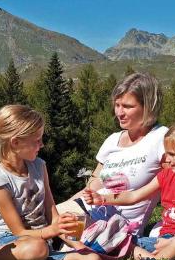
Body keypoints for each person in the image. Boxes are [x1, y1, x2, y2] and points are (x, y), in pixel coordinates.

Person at [0, 105, 105, 260]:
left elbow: (52, 214)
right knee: (36, 248)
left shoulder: (39, 166)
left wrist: (78, 246)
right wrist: (51, 232)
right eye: (37, 140)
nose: (42, 144)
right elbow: (19, 232)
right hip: (15, 244)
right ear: (16, 142)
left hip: (43, 244)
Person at [84, 120, 175, 260]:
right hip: (163, 239)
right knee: (124, 240)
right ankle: (160, 259)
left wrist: (173, 241)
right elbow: (134, 195)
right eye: (166, 154)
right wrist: (103, 199)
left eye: (172, 154)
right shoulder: (167, 175)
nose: (166, 159)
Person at [64, 72, 168, 231]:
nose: (119, 112)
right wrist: (67, 205)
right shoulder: (112, 140)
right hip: (86, 211)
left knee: (50, 225)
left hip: (119, 226)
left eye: (127, 106)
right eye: (117, 105)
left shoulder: (161, 138)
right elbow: (95, 183)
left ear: (148, 107)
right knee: (48, 217)